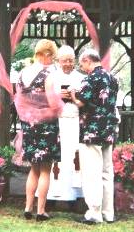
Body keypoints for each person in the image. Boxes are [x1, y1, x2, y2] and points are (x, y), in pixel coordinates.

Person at [14, 39, 63, 222]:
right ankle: (41, 211)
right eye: (53, 56)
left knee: (33, 169)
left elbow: (19, 100)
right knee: (45, 169)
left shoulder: (22, 73)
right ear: (47, 54)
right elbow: (53, 101)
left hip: (28, 125)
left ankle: (28, 207)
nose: (53, 60)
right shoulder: (49, 73)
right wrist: (62, 105)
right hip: (46, 126)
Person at [70, 48, 119, 225]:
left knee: (92, 173)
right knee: (107, 172)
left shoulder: (90, 78)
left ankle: (94, 213)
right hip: (108, 130)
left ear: (87, 60)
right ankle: (109, 213)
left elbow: (81, 101)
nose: (82, 67)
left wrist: (74, 93)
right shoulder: (112, 78)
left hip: (92, 131)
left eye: (82, 63)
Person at [47, 45, 84, 202]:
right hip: (57, 122)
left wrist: (76, 96)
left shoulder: (81, 77)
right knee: (57, 159)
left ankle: (75, 196)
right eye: (65, 61)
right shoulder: (52, 77)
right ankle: (54, 196)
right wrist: (57, 96)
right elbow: (45, 100)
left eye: (71, 60)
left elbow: (86, 100)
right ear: (58, 61)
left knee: (75, 159)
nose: (68, 64)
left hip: (75, 121)